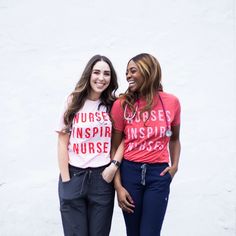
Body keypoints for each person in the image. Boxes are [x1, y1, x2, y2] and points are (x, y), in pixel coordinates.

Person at [109, 53, 181, 236]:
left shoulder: (171, 102)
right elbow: (115, 147)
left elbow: (174, 139)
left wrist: (174, 167)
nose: (128, 76)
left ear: (148, 72)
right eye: (126, 72)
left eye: (133, 71)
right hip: (130, 174)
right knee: (133, 233)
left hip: (158, 175)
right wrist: (118, 186)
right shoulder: (121, 104)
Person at [56, 55, 118, 236]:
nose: (101, 78)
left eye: (106, 74)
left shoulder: (113, 105)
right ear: (88, 74)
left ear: (111, 78)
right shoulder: (72, 101)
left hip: (102, 178)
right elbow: (62, 142)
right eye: (96, 72)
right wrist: (66, 180)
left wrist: (114, 166)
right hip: (74, 175)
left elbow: (121, 139)